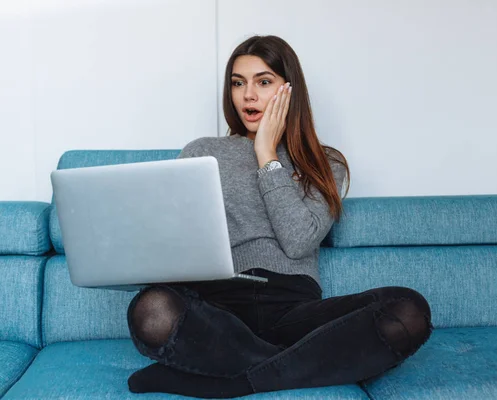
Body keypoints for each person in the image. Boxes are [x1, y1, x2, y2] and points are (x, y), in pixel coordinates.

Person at [126, 35, 433, 399]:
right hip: (218, 309)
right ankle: (285, 364)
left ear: (290, 90)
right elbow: (177, 237)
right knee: (151, 309)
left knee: (408, 310)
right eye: (238, 83)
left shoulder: (324, 163)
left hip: (295, 311)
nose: (248, 96)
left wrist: (267, 154)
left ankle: (236, 380)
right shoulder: (201, 152)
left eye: (264, 81)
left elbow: (298, 240)